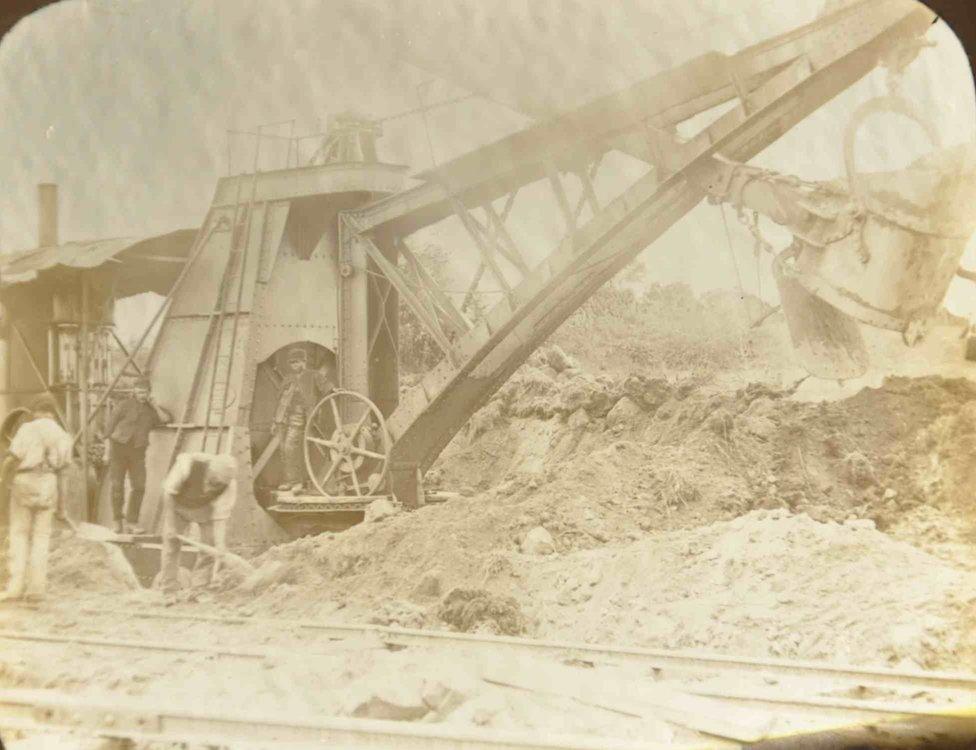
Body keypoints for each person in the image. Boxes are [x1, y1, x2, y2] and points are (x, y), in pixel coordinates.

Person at [0, 395, 73, 602]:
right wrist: (62, 508)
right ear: (52, 413)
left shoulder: (27, 429)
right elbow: (64, 476)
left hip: (24, 481)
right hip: (48, 484)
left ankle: (15, 588)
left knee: (20, 535)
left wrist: (4, 484)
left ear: (37, 411)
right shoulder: (63, 435)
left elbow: (10, 460)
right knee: (41, 539)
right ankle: (36, 591)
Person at [159, 452, 237, 596]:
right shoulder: (188, 465)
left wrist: (220, 544)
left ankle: (199, 590)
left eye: (220, 484)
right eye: (214, 481)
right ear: (210, 471)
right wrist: (170, 525)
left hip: (203, 509)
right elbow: (168, 493)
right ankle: (168, 590)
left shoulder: (228, 485)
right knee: (171, 546)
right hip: (178, 506)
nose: (216, 486)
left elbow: (220, 517)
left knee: (210, 547)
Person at [101, 376, 172, 534]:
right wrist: (106, 453)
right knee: (117, 486)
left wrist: (155, 405)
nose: (142, 395)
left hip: (137, 452)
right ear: (134, 391)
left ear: (149, 393)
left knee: (139, 486)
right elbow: (108, 430)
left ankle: (132, 522)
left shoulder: (151, 410)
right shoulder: (124, 405)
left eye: (144, 392)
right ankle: (117, 521)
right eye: (139, 392)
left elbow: (166, 419)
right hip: (118, 449)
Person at [272, 347, 335, 493]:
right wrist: (274, 420)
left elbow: (326, 386)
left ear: (304, 361)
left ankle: (297, 482)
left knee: (291, 448)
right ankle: (290, 481)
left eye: (297, 362)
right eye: (292, 362)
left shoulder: (313, 375)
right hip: (283, 418)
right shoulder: (288, 378)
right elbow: (279, 398)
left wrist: (334, 390)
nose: (294, 365)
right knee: (283, 450)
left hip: (300, 417)